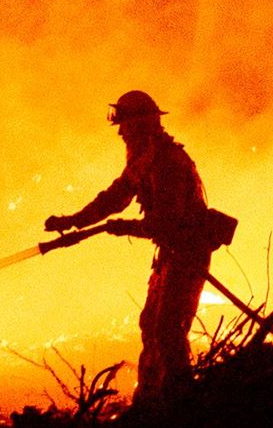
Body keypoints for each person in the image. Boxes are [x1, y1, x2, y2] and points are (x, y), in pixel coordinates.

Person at [44, 90, 216, 408]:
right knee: (150, 323)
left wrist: (125, 227)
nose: (121, 132)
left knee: (167, 329)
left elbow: (167, 222)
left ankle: (181, 403)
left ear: (141, 125)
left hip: (187, 254)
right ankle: (150, 401)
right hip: (170, 253)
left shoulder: (167, 162)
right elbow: (116, 196)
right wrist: (73, 221)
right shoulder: (146, 158)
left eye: (125, 125)